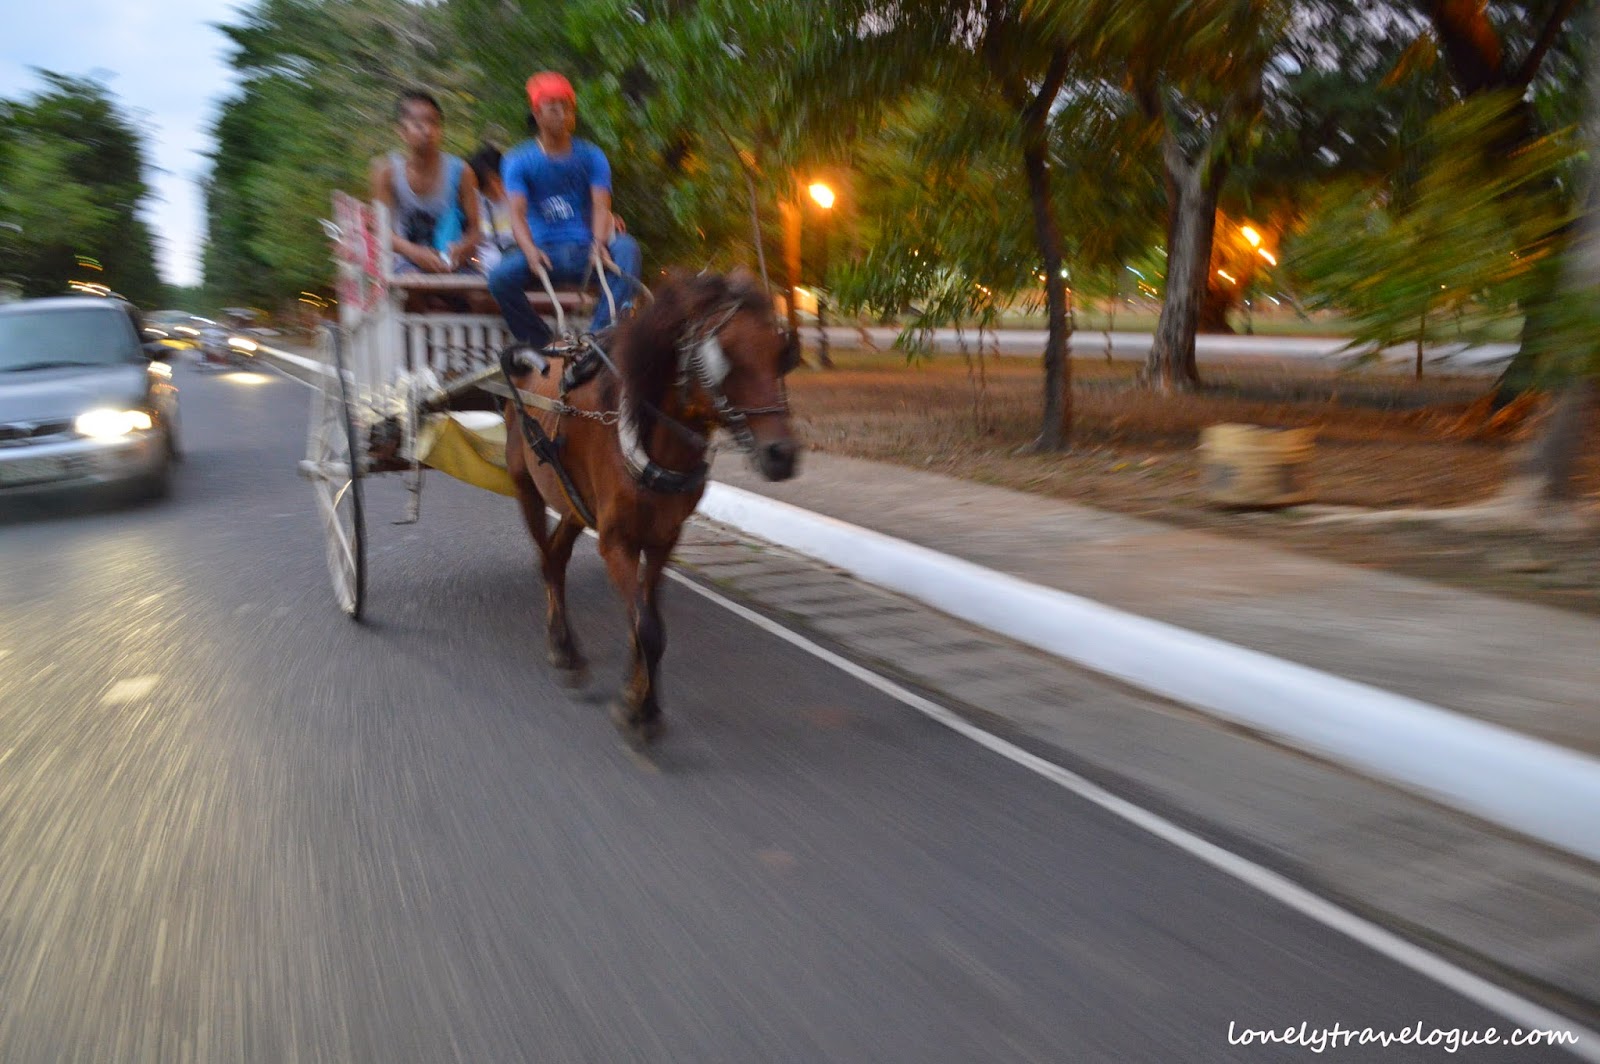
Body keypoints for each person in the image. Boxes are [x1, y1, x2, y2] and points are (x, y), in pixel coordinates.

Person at [489, 72, 642, 348]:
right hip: (545, 254)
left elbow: (600, 204)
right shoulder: (518, 160)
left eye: (568, 107)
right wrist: (530, 252)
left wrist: (598, 243)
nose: (563, 114)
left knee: (628, 249)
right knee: (500, 279)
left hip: (588, 252)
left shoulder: (592, 155)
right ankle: (543, 344)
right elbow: (517, 214)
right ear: (537, 113)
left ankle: (597, 338)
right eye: (553, 107)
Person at [369, 90, 481, 276]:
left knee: (481, 297)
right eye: (418, 124)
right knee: (411, 290)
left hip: (452, 262)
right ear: (401, 131)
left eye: (434, 123)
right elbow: (379, 228)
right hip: (406, 262)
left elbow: (476, 230)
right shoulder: (386, 172)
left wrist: (461, 249)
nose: (428, 131)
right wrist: (414, 252)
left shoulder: (462, 172)